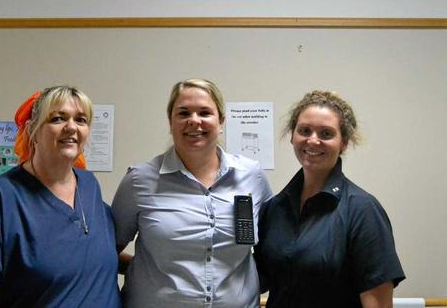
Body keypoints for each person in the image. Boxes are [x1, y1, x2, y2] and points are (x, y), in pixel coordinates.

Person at [0, 85, 121, 308]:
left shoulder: (89, 186)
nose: (71, 127)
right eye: (58, 119)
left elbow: (96, 252)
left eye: (81, 120)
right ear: (32, 131)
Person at [112, 78, 273, 308]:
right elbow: (105, 252)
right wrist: (146, 272)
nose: (194, 121)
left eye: (205, 113)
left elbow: (274, 248)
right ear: (170, 122)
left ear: (221, 122)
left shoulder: (251, 176)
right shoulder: (140, 181)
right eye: (184, 113)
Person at [254, 90, 405, 308]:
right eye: (304, 130)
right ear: (292, 136)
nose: (312, 141)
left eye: (326, 134)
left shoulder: (362, 210)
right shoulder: (274, 209)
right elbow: (259, 280)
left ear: (343, 142)